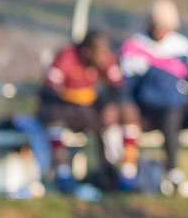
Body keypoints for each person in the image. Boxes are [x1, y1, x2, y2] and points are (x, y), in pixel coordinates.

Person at [119, 0, 188, 191]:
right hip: (153, 112)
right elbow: (128, 89)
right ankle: (173, 171)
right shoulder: (136, 47)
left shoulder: (180, 47)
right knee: (171, 113)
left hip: (179, 107)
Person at [37, 30, 134, 190]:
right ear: (86, 51)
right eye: (100, 52)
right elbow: (48, 90)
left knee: (123, 112)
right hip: (66, 108)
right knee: (53, 117)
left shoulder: (103, 58)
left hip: (88, 111)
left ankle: (118, 173)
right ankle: (62, 173)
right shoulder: (67, 57)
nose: (104, 56)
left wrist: (110, 105)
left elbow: (118, 88)